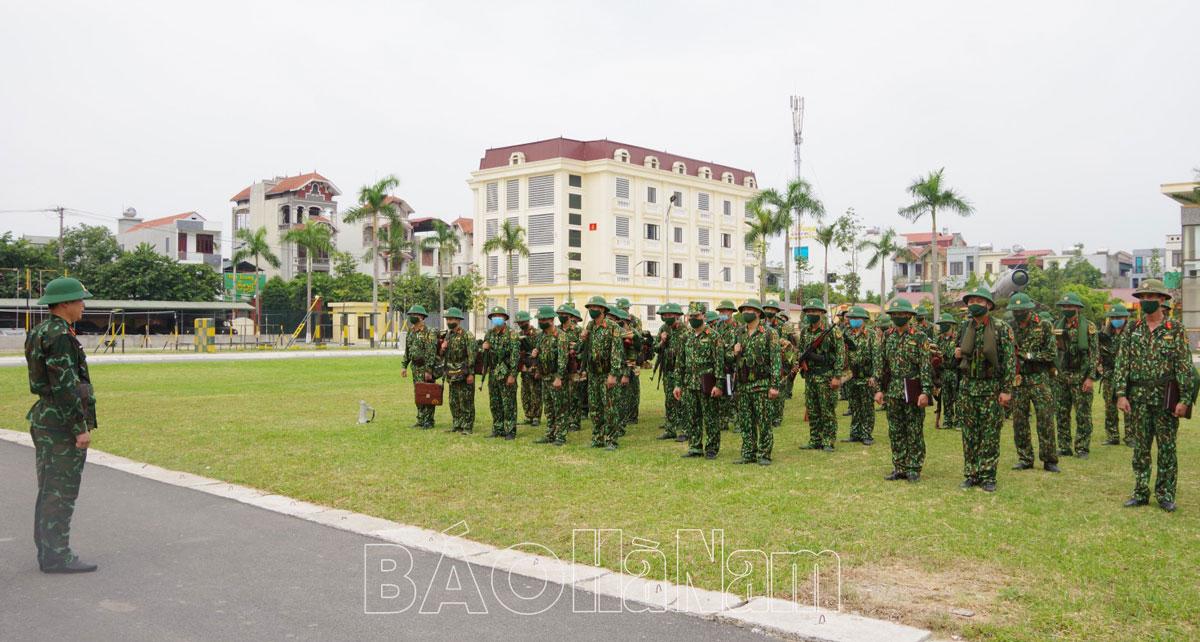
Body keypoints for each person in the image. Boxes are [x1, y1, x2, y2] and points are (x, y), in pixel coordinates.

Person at [25, 276, 99, 573]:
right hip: (59, 424)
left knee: (49, 489)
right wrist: (79, 428)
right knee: (60, 492)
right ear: (65, 303)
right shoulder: (60, 336)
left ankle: (48, 550)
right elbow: (66, 387)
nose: (83, 305)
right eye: (80, 300)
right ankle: (57, 556)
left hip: (45, 418)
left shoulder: (40, 331)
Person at [1114, 279, 1197, 512]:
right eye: (1143, 298)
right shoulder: (1132, 328)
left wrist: (1185, 399)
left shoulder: (1175, 329)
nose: (1146, 302)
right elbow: (1122, 363)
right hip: (1138, 397)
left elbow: (1184, 366)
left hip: (1165, 398)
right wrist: (1121, 394)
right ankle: (1140, 492)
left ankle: (1165, 494)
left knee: (1167, 448)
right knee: (1140, 449)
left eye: (1152, 298)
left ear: (1162, 301)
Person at [954, 287, 1016, 492]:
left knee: (990, 434)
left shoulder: (1001, 328)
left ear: (988, 305)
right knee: (969, 434)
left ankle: (988, 475)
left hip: (991, 388)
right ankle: (971, 473)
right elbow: (952, 352)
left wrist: (1006, 390)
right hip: (968, 387)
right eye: (971, 301)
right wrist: (954, 353)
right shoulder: (964, 327)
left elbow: (1009, 361)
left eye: (979, 301)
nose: (974, 304)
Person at [873, 299, 932, 482]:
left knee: (914, 429)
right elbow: (881, 364)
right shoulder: (888, 336)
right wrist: (879, 389)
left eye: (902, 314)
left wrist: (926, 391)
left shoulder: (919, 337)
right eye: (895, 315)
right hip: (893, 390)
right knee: (896, 430)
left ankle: (914, 467)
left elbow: (925, 366)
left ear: (909, 316)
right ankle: (899, 466)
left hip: (913, 388)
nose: (898, 317)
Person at [1007, 293, 1060, 472]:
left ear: (1029, 309)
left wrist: (1029, 356)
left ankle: (1049, 459)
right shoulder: (1010, 327)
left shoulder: (1044, 325)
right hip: (1018, 381)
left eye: (1021, 310)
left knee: (1045, 419)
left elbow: (1051, 354)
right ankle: (1025, 458)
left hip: (1039, 379)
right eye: (1015, 311)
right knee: (1019, 421)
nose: (1018, 313)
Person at [729, 299, 780, 465]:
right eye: (744, 310)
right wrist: (734, 352)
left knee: (764, 421)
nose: (746, 313)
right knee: (746, 421)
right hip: (743, 385)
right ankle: (748, 453)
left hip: (762, 384)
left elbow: (775, 361)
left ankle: (764, 454)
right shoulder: (740, 332)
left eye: (750, 310)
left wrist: (774, 386)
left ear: (758, 313)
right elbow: (730, 358)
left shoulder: (769, 333)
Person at [674, 302, 725, 459]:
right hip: (690, 383)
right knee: (692, 417)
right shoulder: (686, 336)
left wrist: (719, 384)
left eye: (696, 316)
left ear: (703, 316)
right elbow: (680, 362)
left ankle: (712, 448)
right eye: (690, 316)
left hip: (707, 383)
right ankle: (695, 447)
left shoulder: (714, 336)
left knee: (710, 418)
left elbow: (719, 363)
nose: (692, 319)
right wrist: (678, 384)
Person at [796, 299, 847, 452]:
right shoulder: (805, 331)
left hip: (826, 376)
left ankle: (828, 440)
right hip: (810, 377)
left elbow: (840, 354)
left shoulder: (832, 331)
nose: (811, 314)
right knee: (812, 409)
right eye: (808, 311)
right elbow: (801, 351)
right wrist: (802, 363)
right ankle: (815, 439)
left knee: (827, 410)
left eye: (814, 311)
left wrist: (837, 376)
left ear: (822, 313)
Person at [1053, 292, 1099, 459]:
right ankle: (1064, 446)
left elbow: (1095, 354)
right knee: (1061, 413)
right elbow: (1054, 351)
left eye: (1070, 306)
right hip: (1063, 376)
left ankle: (1082, 448)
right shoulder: (1057, 326)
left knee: (1083, 414)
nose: (1067, 309)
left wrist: (1090, 378)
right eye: (1064, 306)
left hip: (1081, 376)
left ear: (1078, 308)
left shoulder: (1088, 327)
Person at [581, 296, 622, 450]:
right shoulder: (590, 326)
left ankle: (611, 439)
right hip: (593, 374)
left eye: (595, 307)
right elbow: (583, 350)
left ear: (603, 309)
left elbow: (616, 352)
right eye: (590, 307)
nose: (592, 310)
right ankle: (598, 437)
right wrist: (583, 338)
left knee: (610, 407)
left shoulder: (613, 327)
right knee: (595, 407)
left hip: (606, 373)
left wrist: (613, 374)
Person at [481, 306, 520, 439]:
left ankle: (510, 430)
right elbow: (485, 354)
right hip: (493, 373)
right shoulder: (489, 334)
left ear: (505, 319)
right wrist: (484, 347)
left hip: (507, 372)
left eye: (499, 316)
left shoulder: (512, 334)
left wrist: (512, 375)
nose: (496, 318)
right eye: (494, 316)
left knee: (508, 403)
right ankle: (498, 428)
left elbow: (515, 356)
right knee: (495, 402)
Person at [532, 306, 569, 445]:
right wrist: (535, 354)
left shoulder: (561, 336)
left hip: (555, 377)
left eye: (543, 319)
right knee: (548, 408)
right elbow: (540, 354)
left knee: (559, 408)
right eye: (539, 319)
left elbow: (563, 359)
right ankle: (550, 434)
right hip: (545, 377)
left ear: (551, 320)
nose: (540, 321)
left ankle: (560, 436)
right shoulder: (541, 336)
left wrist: (559, 377)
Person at [842, 306, 877, 445]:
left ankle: (867, 434)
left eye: (855, 319)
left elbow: (877, 357)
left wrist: (875, 376)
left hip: (866, 376)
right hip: (852, 376)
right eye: (851, 319)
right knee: (855, 406)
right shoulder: (846, 334)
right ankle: (855, 433)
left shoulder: (871, 335)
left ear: (863, 320)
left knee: (867, 407)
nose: (852, 321)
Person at [401, 305, 439, 429]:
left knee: (428, 393)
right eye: (410, 315)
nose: (412, 317)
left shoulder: (429, 332)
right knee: (419, 393)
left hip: (425, 368)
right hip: (415, 368)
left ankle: (428, 420)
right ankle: (421, 419)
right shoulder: (411, 332)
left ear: (422, 317)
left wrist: (428, 370)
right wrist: (404, 366)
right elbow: (408, 351)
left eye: (414, 315)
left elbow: (431, 352)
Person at [439, 307, 476, 434]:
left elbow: (472, 355)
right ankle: (457, 424)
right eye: (447, 319)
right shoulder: (448, 335)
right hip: (452, 373)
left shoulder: (467, 335)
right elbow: (442, 356)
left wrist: (471, 373)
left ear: (459, 320)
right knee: (453, 401)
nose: (449, 321)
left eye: (451, 319)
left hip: (464, 373)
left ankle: (467, 426)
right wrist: (443, 348)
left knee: (466, 401)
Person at [1099, 303, 1131, 446]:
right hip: (1109, 375)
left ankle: (1130, 437)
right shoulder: (1104, 335)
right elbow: (1097, 355)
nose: (1116, 319)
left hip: (1127, 375)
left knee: (1128, 406)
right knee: (1110, 407)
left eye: (1119, 317)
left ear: (1125, 318)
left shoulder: (1131, 333)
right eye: (1113, 317)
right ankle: (1113, 436)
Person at [655, 303, 687, 441]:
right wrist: (662, 342)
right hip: (668, 370)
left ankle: (686, 429)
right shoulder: (663, 329)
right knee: (669, 400)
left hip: (682, 371)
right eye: (665, 315)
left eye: (670, 315)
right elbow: (655, 349)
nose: (667, 317)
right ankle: (670, 429)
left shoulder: (685, 330)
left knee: (684, 400)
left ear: (677, 315)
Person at [558, 303, 586, 433]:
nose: (561, 316)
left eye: (564, 314)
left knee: (574, 396)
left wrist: (576, 351)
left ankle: (575, 421)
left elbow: (586, 349)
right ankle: (564, 420)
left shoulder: (578, 331)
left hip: (575, 367)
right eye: (559, 314)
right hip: (560, 367)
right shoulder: (556, 330)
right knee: (562, 396)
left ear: (570, 316)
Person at [615, 298, 643, 425]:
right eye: (621, 309)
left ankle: (633, 415)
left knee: (634, 389)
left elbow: (638, 341)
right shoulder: (616, 323)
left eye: (625, 308)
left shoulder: (635, 321)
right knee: (622, 389)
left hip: (634, 360)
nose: (623, 311)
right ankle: (623, 414)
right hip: (622, 360)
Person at [933, 313, 961, 430]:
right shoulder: (938, 339)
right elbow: (935, 352)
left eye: (945, 324)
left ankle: (959, 421)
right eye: (941, 325)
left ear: (951, 325)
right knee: (946, 397)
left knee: (958, 396)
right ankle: (948, 419)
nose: (942, 327)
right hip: (944, 372)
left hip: (956, 371)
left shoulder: (957, 338)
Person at [515, 311, 542, 428]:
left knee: (535, 392)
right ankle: (528, 415)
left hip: (534, 366)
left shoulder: (537, 333)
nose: (521, 324)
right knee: (525, 393)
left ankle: (536, 416)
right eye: (519, 322)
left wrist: (538, 369)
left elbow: (540, 352)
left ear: (528, 321)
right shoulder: (519, 334)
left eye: (523, 321)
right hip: (524, 367)